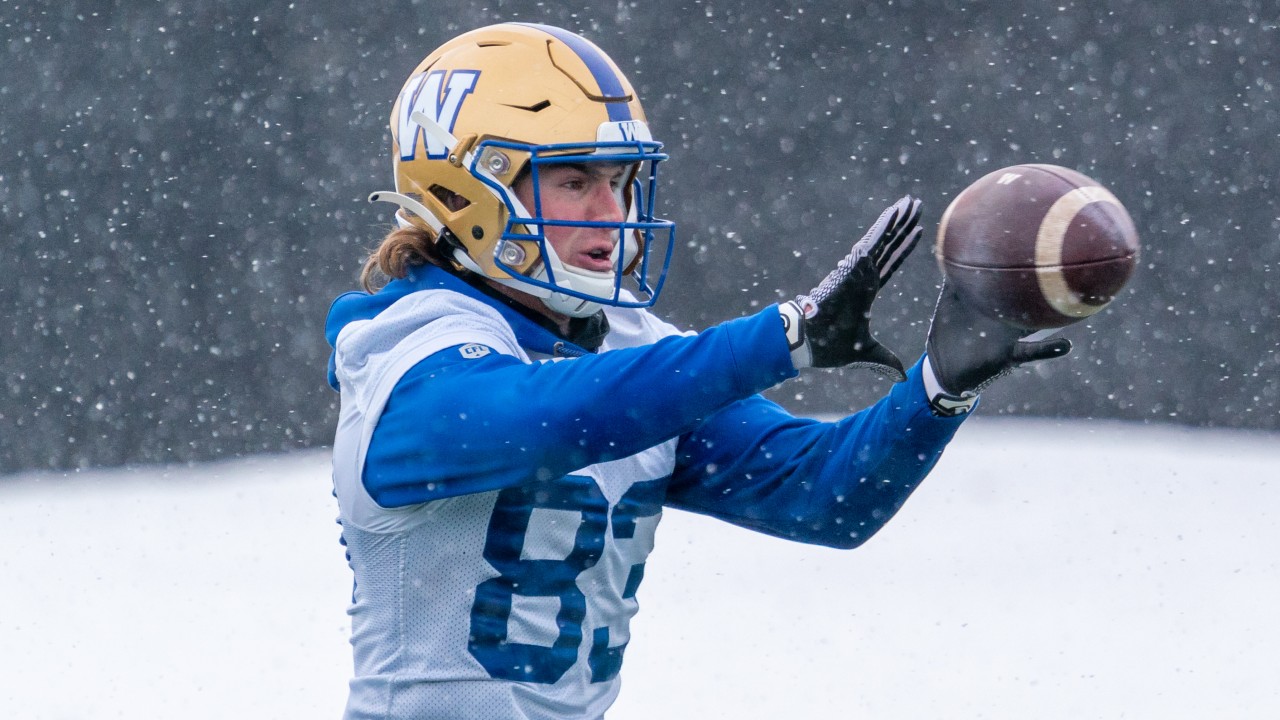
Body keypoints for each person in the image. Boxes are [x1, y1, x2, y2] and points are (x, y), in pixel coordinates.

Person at [324, 22, 1071, 720]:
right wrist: (787, 337)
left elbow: (825, 497)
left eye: (619, 180)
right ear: (466, 188)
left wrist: (938, 387)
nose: (612, 212)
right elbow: (540, 419)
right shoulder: (402, 346)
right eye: (575, 180)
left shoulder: (629, 351)